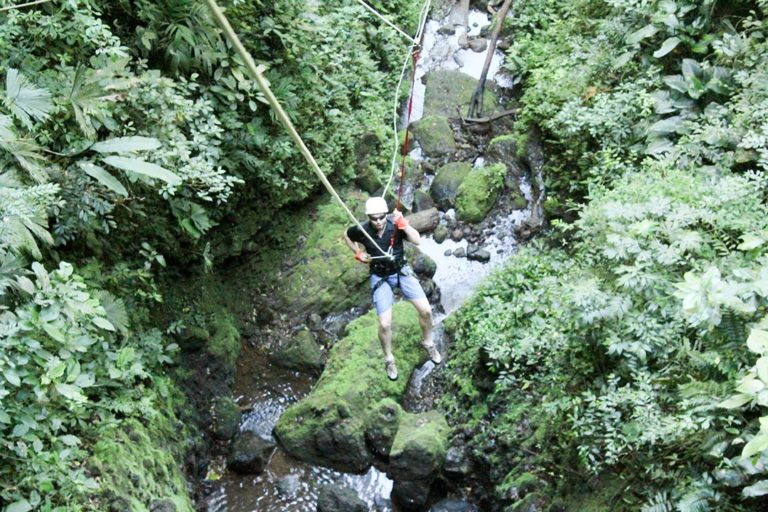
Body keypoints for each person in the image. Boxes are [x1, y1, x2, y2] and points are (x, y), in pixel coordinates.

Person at [344, 196, 442, 380]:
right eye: (374, 218)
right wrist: (358, 252)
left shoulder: (395, 224)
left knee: (427, 311)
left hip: (401, 271)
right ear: (369, 218)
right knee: (384, 323)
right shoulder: (362, 229)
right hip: (380, 275)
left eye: (381, 217)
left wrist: (404, 223)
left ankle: (428, 342)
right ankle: (389, 358)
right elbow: (347, 235)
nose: (379, 221)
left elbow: (417, 240)